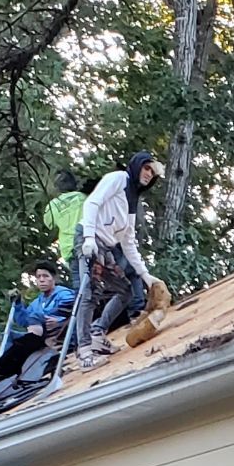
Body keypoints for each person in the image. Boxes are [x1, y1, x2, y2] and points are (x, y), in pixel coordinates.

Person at [71, 151, 163, 360]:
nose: (149, 174)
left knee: (126, 291)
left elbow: (128, 242)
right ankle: (85, 350)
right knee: (90, 292)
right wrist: (88, 238)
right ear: (137, 165)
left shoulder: (132, 198)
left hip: (106, 246)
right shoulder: (119, 179)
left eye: (152, 172)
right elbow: (91, 203)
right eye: (146, 168)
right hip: (90, 239)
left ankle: (97, 333)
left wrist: (145, 275)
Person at [0, 259, 74, 382]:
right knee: (7, 336)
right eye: (38, 277)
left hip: (57, 334)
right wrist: (18, 304)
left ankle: (5, 368)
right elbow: (23, 321)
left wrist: (57, 319)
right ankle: (1, 368)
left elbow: (71, 310)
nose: (41, 280)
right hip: (37, 335)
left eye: (45, 276)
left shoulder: (64, 294)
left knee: (27, 335)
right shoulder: (37, 302)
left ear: (54, 279)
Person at [43, 170, 94, 272]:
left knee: (78, 283)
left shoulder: (53, 205)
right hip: (88, 243)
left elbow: (49, 224)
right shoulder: (83, 198)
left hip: (68, 249)